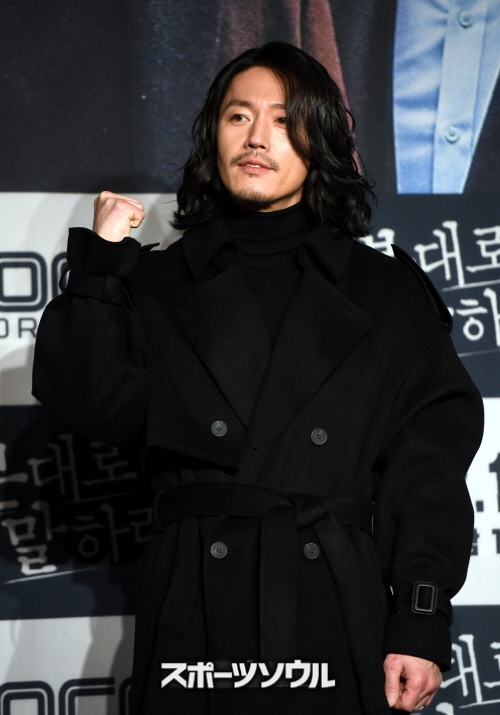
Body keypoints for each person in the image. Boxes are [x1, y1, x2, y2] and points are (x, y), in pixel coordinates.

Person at [33, 42, 484, 714]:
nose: (257, 138)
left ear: (320, 139)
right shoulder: (154, 283)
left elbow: (427, 472)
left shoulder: (386, 293)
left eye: (283, 119)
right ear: (212, 135)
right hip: (194, 607)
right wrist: (100, 268)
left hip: (335, 603)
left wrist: (420, 619)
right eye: (238, 116)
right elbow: (86, 403)